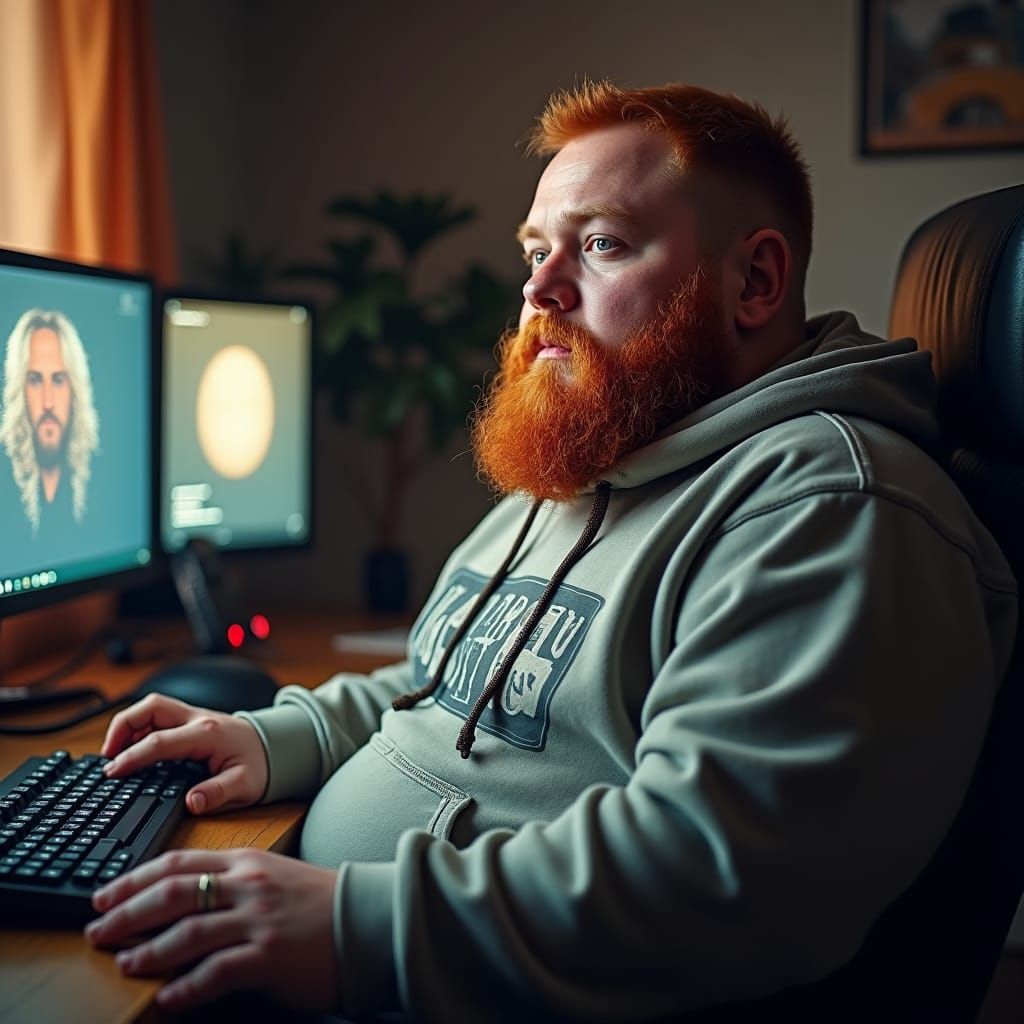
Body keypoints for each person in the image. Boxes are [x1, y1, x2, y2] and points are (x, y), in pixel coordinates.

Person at [86, 82, 1017, 1021]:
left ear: (756, 282)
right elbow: (435, 681)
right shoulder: (596, 463)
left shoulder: (832, 509)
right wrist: (278, 736)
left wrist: (350, 928)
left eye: (602, 243)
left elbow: (714, 877)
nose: (539, 289)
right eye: (536, 250)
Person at [0, 308, 100, 538]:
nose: (47, 402)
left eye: (58, 380)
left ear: (75, 388)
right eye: (35, 380)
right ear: (19, 389)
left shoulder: (100, 480)